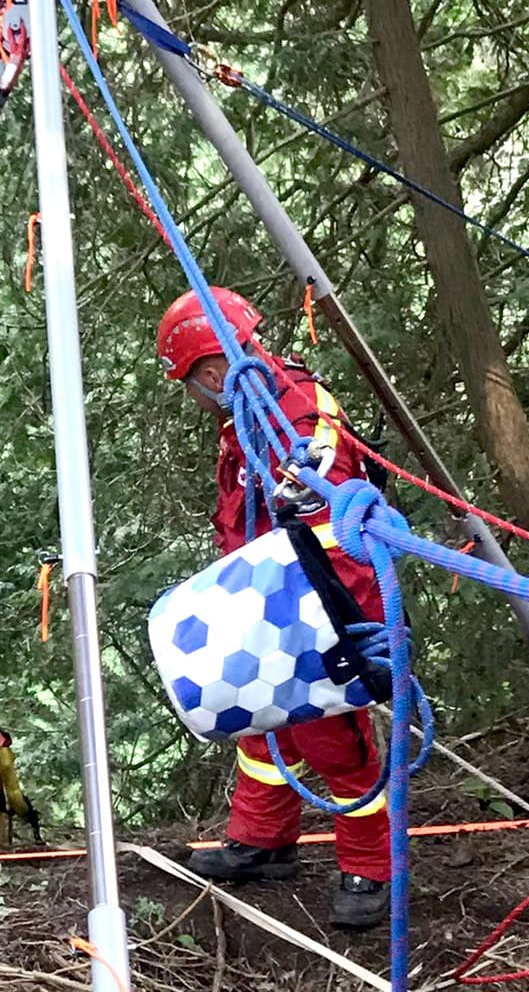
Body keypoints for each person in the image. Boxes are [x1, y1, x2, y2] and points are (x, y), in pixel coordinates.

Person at [157, 285, 391, 930]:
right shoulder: (249, 411)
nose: (190, 396)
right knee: (258, 720)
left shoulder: (296, 417)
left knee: (334, 740)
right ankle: (263, 838)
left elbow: (330, 528)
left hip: (317, 602)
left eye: (188, 381)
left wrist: (328, 631)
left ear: (209, 371)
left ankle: (370, 868)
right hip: (266, 596)